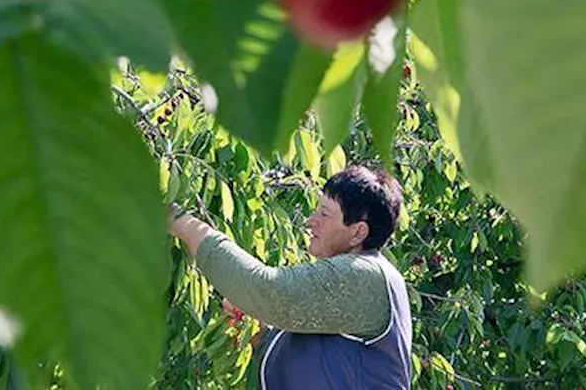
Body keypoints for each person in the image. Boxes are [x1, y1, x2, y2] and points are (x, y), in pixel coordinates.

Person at [168, 164, 413, 389]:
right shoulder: (346, 288)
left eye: (325, 214)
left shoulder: (364, 276)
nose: (310, 222)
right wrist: (258, 331)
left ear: (358, 232)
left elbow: (269, 291)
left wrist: (180, 223)